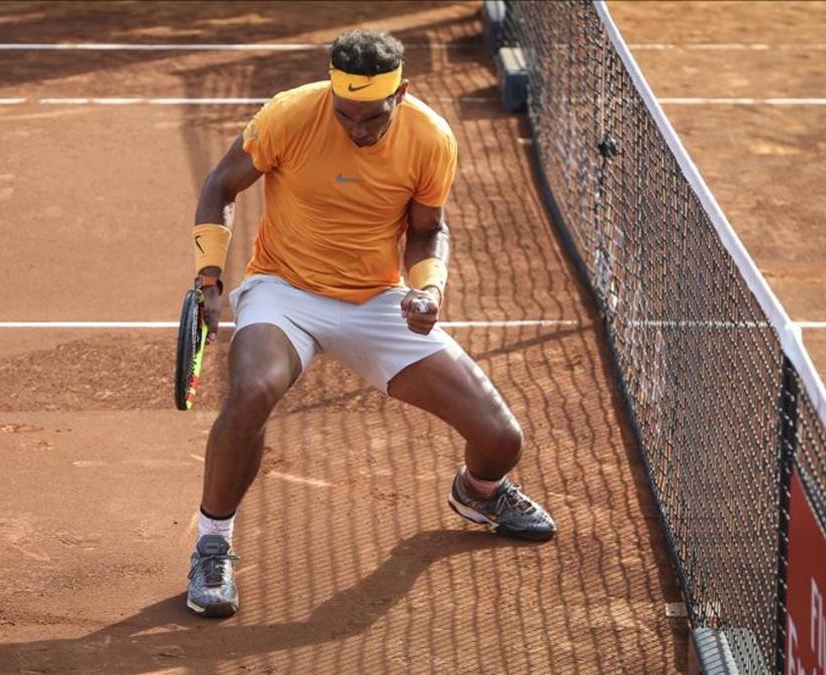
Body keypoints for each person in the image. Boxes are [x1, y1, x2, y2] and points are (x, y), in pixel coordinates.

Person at [185, 29, 555, 619]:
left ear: (401, 93)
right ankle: (212, 543)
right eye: (346, 115)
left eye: (372, 118)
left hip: (377, 298)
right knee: (252, 392)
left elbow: (428, 229)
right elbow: (220, 185)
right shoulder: (289, 114)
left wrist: (427, 289)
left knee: (500, 439)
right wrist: (209, 275)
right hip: (284, 289)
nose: (357, 130)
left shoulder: (430, 137)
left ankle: (478, 494)